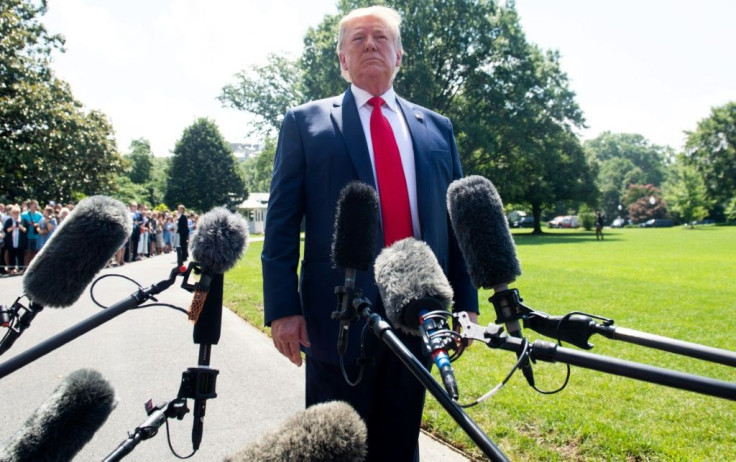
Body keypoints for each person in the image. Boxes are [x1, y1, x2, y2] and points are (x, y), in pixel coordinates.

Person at [261, 6, 478, 461]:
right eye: (357, 39)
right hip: (336, 314)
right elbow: (281, 224)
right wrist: (283, 309)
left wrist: (467, 305)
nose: (370, 45)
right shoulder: (305, 123)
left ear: (400, 55)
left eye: (381, 37)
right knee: (333, 448)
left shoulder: (437, 128)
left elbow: (456, 226)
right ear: (341, 60)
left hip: (418, 311)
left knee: (400, 443)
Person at [4, 206, 27, 275]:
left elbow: (26, 230)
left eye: (17, 213)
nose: (16, 215)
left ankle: (20, 269)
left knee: (21, 256)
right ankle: (12, 269)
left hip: (20, 242)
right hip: (11, 242)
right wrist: (12, 227)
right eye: (14, 213)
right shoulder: (9, 221)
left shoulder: (23, 220)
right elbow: (6, 230)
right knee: (11, 256)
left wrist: (21, 227)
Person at [20, 199, 43, 267]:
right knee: (27, 252)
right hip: (27, 236)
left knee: (35, 252)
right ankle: (25, 266)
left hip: (36, 236)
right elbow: (21, 223)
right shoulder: (24, 214)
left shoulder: (39, 215)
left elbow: (41, 224)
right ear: (30, 205)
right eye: (34, 205)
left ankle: (32, 266)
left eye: (36, 205)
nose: (36, 206)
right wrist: (28, 224)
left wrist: (36, 224)